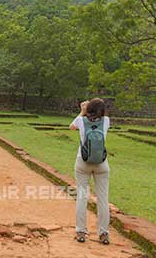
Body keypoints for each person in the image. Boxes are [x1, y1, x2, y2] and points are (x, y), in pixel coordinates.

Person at [69, 98, 111, 245]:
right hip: (101, 163)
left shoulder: (81, 121)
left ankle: (81, 231)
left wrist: (82, 111)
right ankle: (103, 233)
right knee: (103, 199)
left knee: (81, 196)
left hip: (83, 161)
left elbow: (71, 127)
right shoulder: (106, 120)